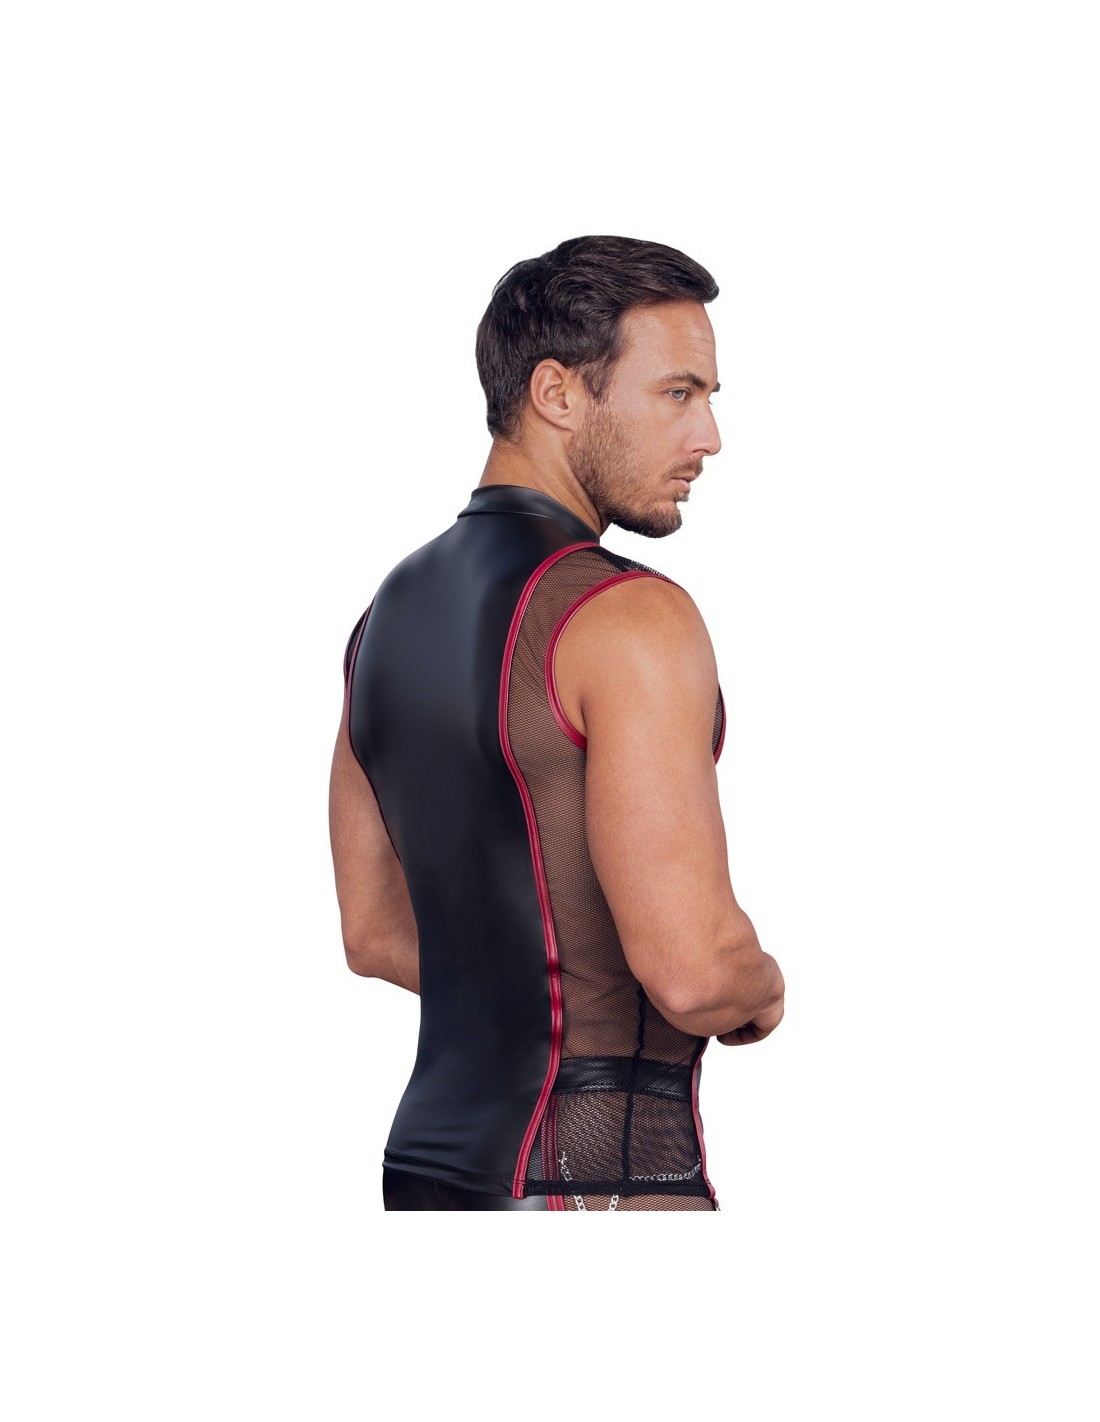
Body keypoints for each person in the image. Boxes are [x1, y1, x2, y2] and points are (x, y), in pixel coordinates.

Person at [328, 235, 785, 1212]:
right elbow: (696, 974)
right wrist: (761, 986)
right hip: (599, 1184)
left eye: (709, 398)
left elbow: (373, 932)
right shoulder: (628, 617)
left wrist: (540, 988)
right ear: (557, 393)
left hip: (424, 1174)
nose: (708, 437)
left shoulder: (383, 619)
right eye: (677, 393)